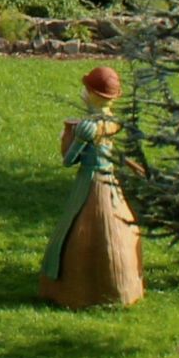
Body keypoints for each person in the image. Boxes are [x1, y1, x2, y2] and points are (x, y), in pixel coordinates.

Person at [40, 66, 148, 309]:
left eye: (86, 89)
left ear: (91, 93)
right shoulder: (113, 122)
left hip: (90, 182)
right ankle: (124, 285)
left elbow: (69, 160)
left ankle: (74, 290)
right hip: (110, 180)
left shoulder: (88, 127)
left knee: (77, 229)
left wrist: (70, 138)